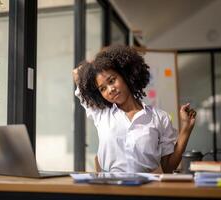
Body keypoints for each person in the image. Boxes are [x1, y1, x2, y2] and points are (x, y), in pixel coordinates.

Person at [73, 45, 197, 173]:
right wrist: (92, 65)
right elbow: (77, 74)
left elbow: (168, 167)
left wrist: (186, 128)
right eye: (103, 88)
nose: (110, 90)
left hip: (146, 189)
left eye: (112, 80)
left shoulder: (160, 118)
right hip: (110, 188)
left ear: (125, 75)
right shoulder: (101, 114)